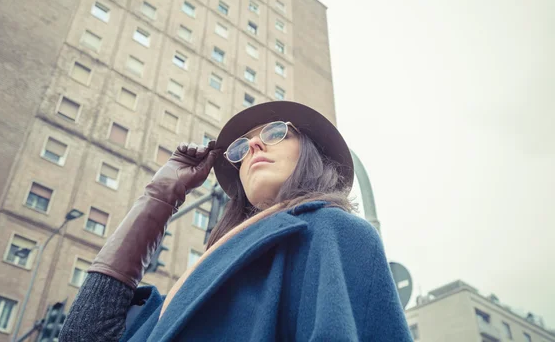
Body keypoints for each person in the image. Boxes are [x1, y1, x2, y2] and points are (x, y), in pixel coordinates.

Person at [60, 101, 412, 341]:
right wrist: (161, 194)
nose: (254, 146)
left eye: (275, 133)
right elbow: (84, 335)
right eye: (241, 149)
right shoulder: (197, 283)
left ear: (310, 153)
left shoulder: (336, 231)